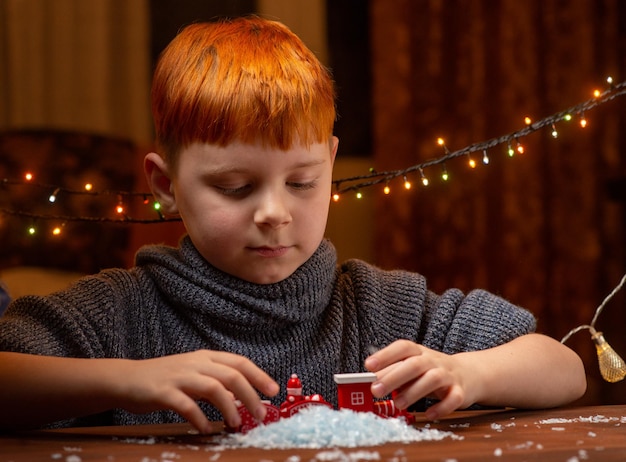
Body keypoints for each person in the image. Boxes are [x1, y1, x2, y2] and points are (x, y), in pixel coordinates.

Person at [0, 16, 586, 434]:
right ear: (164, 184)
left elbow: (564, 368)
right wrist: (125, 379)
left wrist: (467, 371)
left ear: (330, 164)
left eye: (302, 183)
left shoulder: (381, 307)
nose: (275, 212)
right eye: (235, 187)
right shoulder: (123, 314)